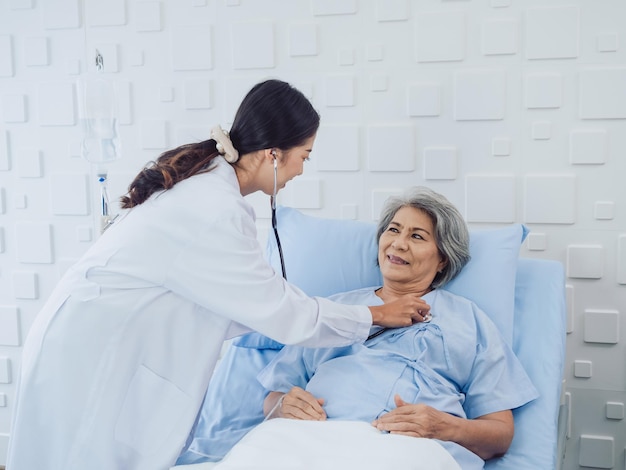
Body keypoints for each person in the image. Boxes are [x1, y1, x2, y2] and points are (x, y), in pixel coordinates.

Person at [5, 79, 430, 470]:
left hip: (88, 342)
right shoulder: (215, 210)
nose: (302, 170)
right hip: (88, 355)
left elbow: (251, 307)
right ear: (274, 155)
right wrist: (373, 315)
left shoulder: (210, 191)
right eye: (304, 157)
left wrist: (328, 313)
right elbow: (279, 311)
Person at [257, 187, 539, 469]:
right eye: (393, 230)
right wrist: (283, 406)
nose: (398, 244)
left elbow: (500, 435)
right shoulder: (335, 309)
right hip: (312, 438)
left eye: (417, 236)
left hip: (408, 448)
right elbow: (275, 396)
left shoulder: (469, 320)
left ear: (443, 258)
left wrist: (443, 427)